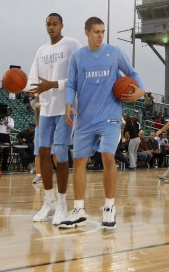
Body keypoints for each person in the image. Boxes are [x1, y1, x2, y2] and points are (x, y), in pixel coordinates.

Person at [61, 16, 144, 230]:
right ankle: (78, 208)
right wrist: (69, 103)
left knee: (108, 157)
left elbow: (132, 74)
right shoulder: (78, 57)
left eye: (103, 31)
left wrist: (140, 90)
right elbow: (70, 84)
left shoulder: (114, 53)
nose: (100, 35)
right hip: (85, 118)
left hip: (110, 116)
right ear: (87, 32)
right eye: (96, 31)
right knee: (78, 163)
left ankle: (109, 206)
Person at [27, 12, 82, 225]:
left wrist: (53, 84)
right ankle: (48, 200)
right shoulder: (41, 50)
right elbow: (32, 80)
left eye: (55, 24)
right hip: (46, 108)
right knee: (42, 152)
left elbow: (77, 74)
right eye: (48, 24)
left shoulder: (71, 44)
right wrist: (20, 85)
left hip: (66, 107)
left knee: (59, 152)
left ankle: (62, 202)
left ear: (62, 25)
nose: (51, 27)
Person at [0, 107, 15, 171]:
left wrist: (7, 123)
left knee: (6, 152)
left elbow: (12, 126)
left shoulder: (10, 119)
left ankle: (4, 167)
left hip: (6, 135)